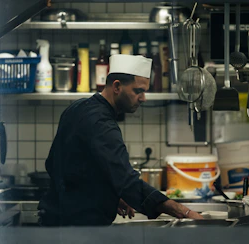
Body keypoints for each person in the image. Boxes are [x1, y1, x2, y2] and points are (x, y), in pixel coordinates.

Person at [37, 54, 203, 226]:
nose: (143, 98)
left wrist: (107, 196)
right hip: (76, 229)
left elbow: (60, 166)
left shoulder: (78, 107)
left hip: (56, 220)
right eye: (138, 91)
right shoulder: (102, 124)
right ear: (117, 86)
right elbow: (125, 180)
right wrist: (181, 211)